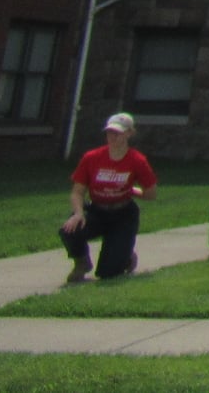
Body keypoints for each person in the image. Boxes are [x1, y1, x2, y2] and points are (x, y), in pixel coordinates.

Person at [62, 112, 157, 283]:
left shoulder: (137, 160)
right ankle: (81, 262)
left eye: (118, 133)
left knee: (108, 274)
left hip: (123, 214)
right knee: (69, 230)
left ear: (129, 133)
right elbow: (77, 191)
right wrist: (78, 213)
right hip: (97, 210)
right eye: (109, 132)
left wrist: (130, 191)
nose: (113, 136)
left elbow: (151, 193)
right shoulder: (92, 157)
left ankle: (125, 255)